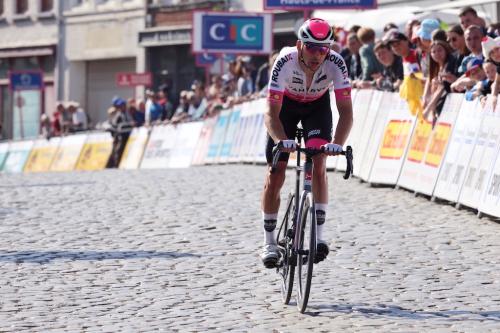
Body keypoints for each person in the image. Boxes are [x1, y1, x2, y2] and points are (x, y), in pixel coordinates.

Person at [260, 18, 353, 268]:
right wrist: (282, 141)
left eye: (323, 49)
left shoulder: (336, 63)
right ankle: (269, 243)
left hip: (317, 107)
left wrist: (338, 143)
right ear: (300, 45)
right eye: (312, 47)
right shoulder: (284, 62)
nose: (317, 54)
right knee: (276, 170)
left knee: (319, 160)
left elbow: (346, 112)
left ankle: (320, 238)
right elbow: (271, 114)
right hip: (285, 109)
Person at [106, 97, 133, 168]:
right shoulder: (118, 115)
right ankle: (116, 164)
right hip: (120, 136)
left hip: (129, 135)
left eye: (122, 105)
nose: (121, 107)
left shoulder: (128, 113)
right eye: (119, 106)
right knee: (118, 149)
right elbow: (115, 125)